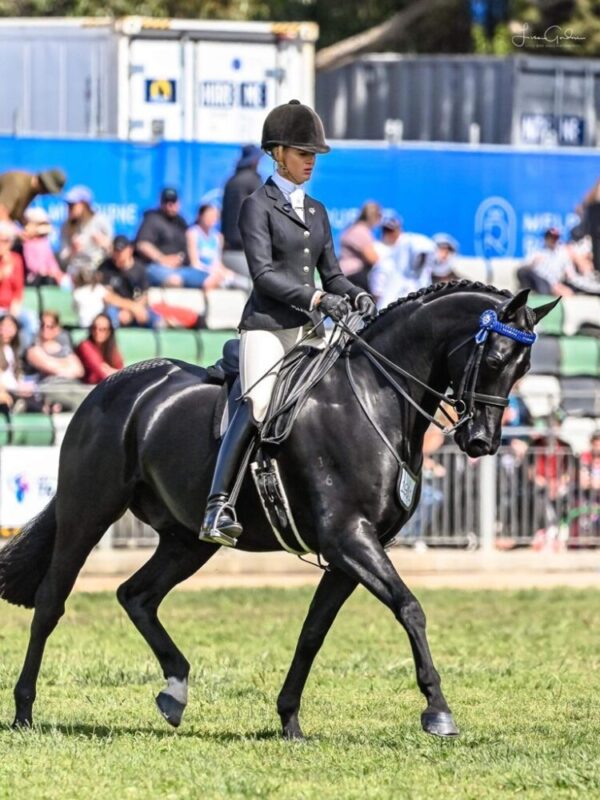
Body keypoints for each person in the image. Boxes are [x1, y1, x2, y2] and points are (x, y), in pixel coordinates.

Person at [199, 99, 377, 548]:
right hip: (267, 328)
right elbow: (264, 276)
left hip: (309, 331)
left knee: (342, 400)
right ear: (278, 153)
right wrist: (318, 297)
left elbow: (332, 271)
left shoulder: (317, 211)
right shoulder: (256, 206)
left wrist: (353, 292)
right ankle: (218, 504)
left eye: (314, 155)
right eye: (303, 153)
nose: (310, 162)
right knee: (258, 401)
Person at [135, 188, 200, 288]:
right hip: (156, 267)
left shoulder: (181, 222)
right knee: (175, 280)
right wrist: (162, 259)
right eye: (166, 202)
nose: (170, 205)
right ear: (161, 203)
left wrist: (182, 259)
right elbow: (142, 244)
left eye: (173, 202)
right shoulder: (152, 219)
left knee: (211, 279)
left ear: (178, 203)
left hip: (182, 268)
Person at [24, 311, 85, 412]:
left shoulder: (64, 349)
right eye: (42, 325)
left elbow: (79, 370)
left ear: (57, 329)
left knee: (90, 400)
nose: (45, 329)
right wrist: (65, 363)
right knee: (76, 405)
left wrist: (56, 364)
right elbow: (50, 367)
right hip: (50, 387)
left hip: (71, 385)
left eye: (50, 326)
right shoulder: (33, 349)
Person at [369, 216, 434, 307]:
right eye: (387, 230)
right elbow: (377, 293)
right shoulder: (384, 263)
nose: (390, 234)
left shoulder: (423, 275)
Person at [98, 235, 160, 328]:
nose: (118, 254)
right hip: (116, 307)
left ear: (130, 250)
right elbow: (107, 296)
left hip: (136, 308)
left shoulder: (140, 269)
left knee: (157, 320)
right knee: (111, 316)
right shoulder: (106, 267)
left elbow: (144, 295)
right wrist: (131, 307)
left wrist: (133, 311)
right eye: (116, 250)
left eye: (121, 250)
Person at [517, 228, 600, 297]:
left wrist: (563, 286)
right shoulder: (538, 253)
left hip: (555, 283)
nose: (553, 240)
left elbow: (571, 275)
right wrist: (533, 263)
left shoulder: (562, 254)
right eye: (551, 237)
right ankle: (525, 294)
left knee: (575, 286)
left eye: (555, 238)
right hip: (540, 281)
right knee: (523, 272)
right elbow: (522, 268)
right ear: (546, 238)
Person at [221, 144, 263, 277]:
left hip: (229, 247)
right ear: (254, 160)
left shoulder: (231, 181)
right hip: (248, 246)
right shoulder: (253, 180)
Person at [59, 185, 113, 280]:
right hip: (75, 271)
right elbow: (63, 258)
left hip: (98, 270)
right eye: (68, 205)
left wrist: (104, 243)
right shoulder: (66, 226)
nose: (69, 208)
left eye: (72, 205)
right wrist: (73, 250)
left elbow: (114, 251)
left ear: (84, 205)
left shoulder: (100, 221)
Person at [186, 204, 238, 290]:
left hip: (215, 273)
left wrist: (226, 272)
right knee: (212, 281)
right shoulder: (193, 233)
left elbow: (217, 262)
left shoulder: (218, 237)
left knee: (238, 280)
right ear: (200, 216)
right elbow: (194, 263)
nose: (212, 218)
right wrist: (212, 272)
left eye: (214, 216)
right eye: (209, 215)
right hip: (199, 273)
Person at [0, 221, 36, 346]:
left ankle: (19, 356)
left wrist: (12, 313)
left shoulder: (16, 259)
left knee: (31, 320)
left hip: (11, 307)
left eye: (5, 241)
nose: (2, 244)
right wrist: (3, 273)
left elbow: (18, 290)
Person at [338, 201, 382, 291]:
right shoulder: (360, 231)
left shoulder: (355, 228)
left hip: (349, 275)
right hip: (353, 275)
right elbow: (373, 259)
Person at [0, 168, 66, 224]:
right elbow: (2, 212)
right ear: (44, 184)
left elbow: (16, 214)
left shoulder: (32, 191)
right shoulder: (18, 183)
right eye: (48, 190)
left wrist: (29, 226)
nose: (46, 194)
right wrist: (17, 232)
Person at [22, 208, 68, 287]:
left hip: (48, 276)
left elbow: (51, 262)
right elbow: (31, 265)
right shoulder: (27, 244)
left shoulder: (45, 242)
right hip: (34, 279)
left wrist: (57, 273)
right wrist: (44, 271)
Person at [75, 313, 124, 385]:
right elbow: (101, 372)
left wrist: (111, 371)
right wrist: (114, 372)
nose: (97, 332)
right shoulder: (85, 345)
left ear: (109, 331)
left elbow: (122, 371)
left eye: (103, 329)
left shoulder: (112, 347)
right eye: (94, 328)